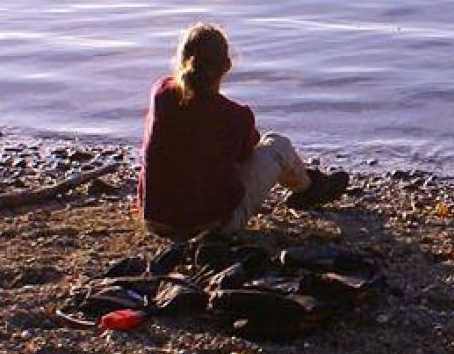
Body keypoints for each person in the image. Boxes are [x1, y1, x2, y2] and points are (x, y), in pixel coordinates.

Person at [139, 23, 349, 239]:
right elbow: (246, 153)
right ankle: (308, 189)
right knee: (277, 145)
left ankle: (307, 185)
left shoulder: (160, 93)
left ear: (182, 61)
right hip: (212, 226)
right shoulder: (234, 115)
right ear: (227, 65)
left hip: (156, 221)